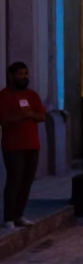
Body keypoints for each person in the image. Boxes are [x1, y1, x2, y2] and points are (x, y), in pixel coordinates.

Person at [0, 62, 47, 231]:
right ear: (12, 76)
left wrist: (31, 114)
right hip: (13, 146)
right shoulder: (4, 96)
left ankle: (19, 215)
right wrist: (23, 115)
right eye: (20, 74)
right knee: (15, 179)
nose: (23, 77)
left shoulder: (32, 95)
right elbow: (4, 120)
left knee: (27, 180)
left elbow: (42, 116)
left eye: (25, 73)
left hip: (32, 144)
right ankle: (9, 217)